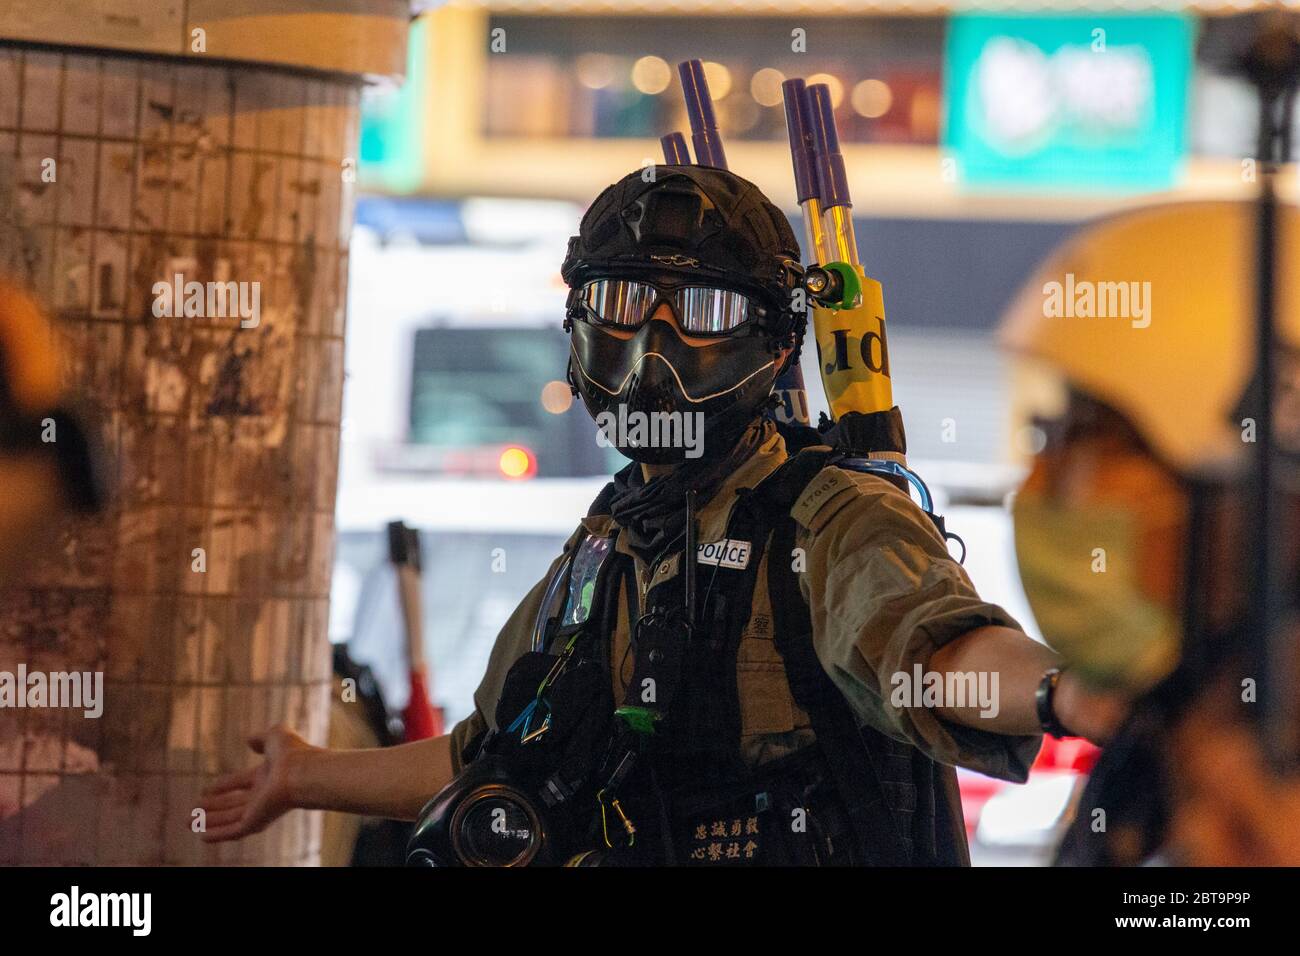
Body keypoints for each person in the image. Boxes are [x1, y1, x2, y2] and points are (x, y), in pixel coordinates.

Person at [201, 165, 1109, 866]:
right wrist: (306, 776)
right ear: (577, 320)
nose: (653, 345)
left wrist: (1064, 694)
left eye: (702, 311)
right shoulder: (607, 541)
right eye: (623, 302)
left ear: (773, 339)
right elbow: (495, 757)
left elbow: (937, 652)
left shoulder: (830, 517)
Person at [998, 199, 1300, 865]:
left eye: (1094, 441)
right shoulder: (1172, 745)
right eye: (1049, 439)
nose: (1041, 486)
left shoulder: (1264, 815)